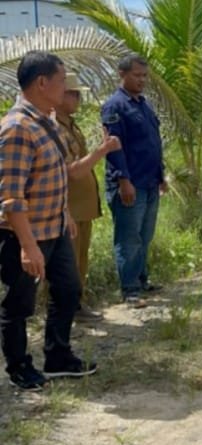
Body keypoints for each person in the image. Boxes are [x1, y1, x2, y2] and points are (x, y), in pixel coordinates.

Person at [0, 51, 98, 391]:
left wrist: (65, 213)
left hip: (54, 228)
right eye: (62, 81)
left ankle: (57, 356)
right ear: (42, 83)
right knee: (19, 304)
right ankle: (19, 366)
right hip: (25, 236)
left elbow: (51, 176)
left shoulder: (45, 121)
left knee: (69, 291)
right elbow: (11, 196)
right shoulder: (17, 128)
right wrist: (28, 247)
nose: (67, 89)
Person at [55, 72, 123, 322]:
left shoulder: (71, 125)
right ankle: (67, 309)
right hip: (69, 207)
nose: (78, 99)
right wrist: (102, 150)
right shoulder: (55, 127)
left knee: (80, 259)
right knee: (69, 263)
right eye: (73, 94)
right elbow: (73, 171)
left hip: (82, 206)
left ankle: (77, 305)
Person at [101, 54, 167, 309]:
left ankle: (141, 280)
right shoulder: (114, 106)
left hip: (149, 181)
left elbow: (154, 142)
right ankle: (129, 289)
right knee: (128, 238)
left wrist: (161, 175)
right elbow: (114, 149)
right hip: (130, 184)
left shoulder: (144, 104)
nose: (142, 80)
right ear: (122, 74)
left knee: (144, 236)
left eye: (144, 76)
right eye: (137, 75)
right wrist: (123, 181)